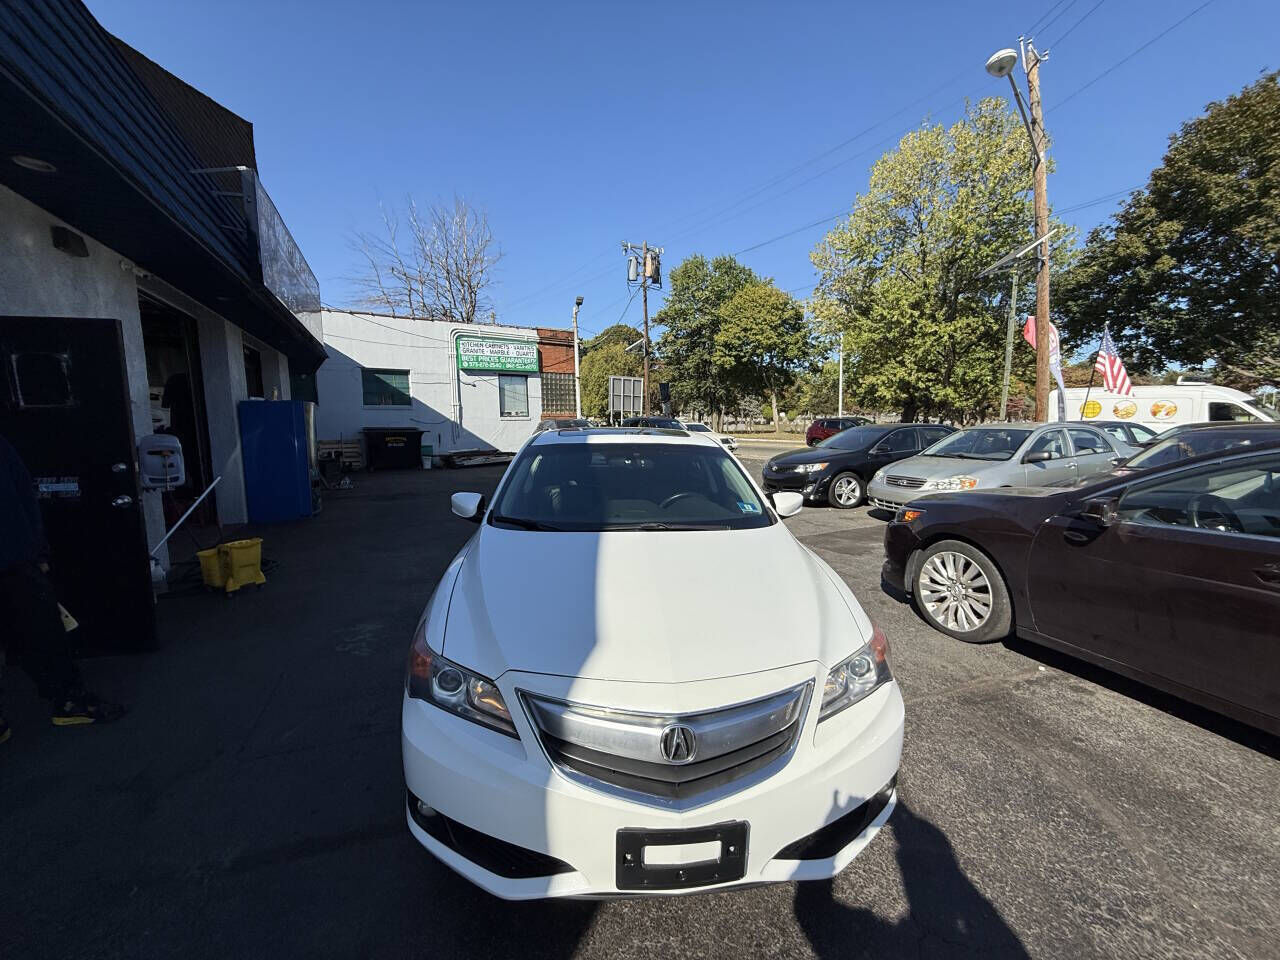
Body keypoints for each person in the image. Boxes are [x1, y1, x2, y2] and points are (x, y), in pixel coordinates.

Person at [0, 433, 124, 742]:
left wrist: (39, 551)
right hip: (16, 555)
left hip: (16, 557)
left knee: (44, 631)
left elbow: (24, 491)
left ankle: (69, 701)